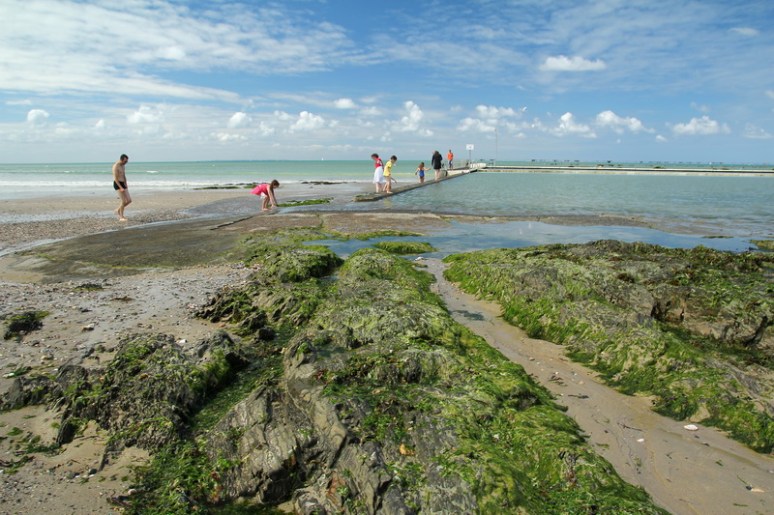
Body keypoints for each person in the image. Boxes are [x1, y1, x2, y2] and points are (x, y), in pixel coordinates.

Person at [112, 154, 131, 221]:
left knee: (129, 200)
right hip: (117, 184)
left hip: (123, 183)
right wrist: (120, 187)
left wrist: (125, 184)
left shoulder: (123, 166)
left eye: (127, 161)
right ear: (121, 159)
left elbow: (124, 175)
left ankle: (118, 210)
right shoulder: (115, 166)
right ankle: (121, 217)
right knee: (123, 201)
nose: (126, 162)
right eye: (125, 161)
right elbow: (115, 178)